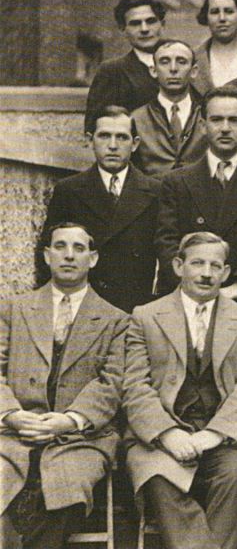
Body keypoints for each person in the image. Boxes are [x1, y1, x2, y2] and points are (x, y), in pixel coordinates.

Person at [123, 232, 237, 549]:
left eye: (215, 266)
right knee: (159, 479)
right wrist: (167, 434)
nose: (206, 273)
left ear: (226, 273)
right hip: (162, 434)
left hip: (223, 434)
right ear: (179, 266)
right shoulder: (145, 317)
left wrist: (214, 434)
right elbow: (135, 386)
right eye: (198, 263)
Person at [0, 223, 126, 548]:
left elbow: (111, 383)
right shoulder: (14, 309)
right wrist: (11, 414)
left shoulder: (116, 320)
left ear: (93, 258)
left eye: (79, 248)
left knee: (66, 488)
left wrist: (69, 419)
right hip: (16, 433)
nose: (69, 255)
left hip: (80, 438)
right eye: (60, 246)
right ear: (46, 255)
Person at [155, 86, 237, 306]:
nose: (225, 128)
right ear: (203, 126)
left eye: (234, 120)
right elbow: (166, 240)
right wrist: (190, 284)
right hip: (186, 296)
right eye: (216, 120)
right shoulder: (176, 181)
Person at [41, 106, 161, 314]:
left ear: (135, 144)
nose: (112, 145)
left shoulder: (155, 192)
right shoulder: (69, 190)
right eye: (104, 136)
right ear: (90, 140)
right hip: (83, 307)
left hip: (135, 307)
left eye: (122, 138)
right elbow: (48, 254)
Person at [84, 0, 165, 133]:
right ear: (123, 28)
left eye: (151, 21)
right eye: (135, 23)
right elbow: (95, 128)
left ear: (162, 24)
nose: (144, 29)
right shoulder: (112, 72)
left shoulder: (182, 63)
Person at [131, 39, 208, 176]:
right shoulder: (136, 119)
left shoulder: (208, 115)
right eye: (164, 62)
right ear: (153, 70)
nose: (173, 69)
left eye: (181, 62)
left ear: (194, 71)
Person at [192, 0, 237, 94]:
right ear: (206, 17)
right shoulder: (193, 58)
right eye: (214, 12)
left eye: (229, 11)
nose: (222, 18)